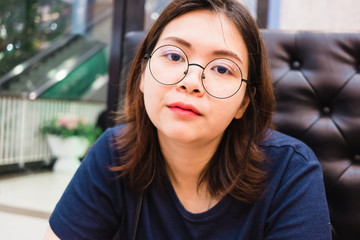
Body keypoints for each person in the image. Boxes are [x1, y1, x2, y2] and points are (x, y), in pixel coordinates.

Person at [44, 0, 332, 239]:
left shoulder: (290, 169)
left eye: (221, 69)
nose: (191, 81)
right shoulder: (114, 151)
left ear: (244, 101)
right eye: (173, 55)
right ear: (143, 73)